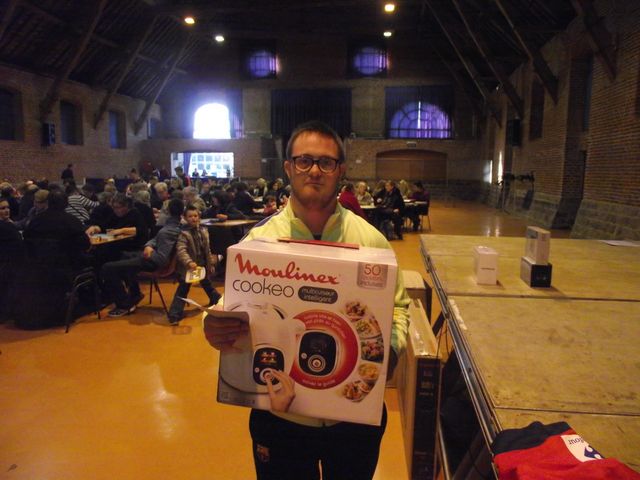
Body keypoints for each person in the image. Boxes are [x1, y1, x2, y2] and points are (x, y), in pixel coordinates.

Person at [203, 120, 410, 480]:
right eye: (304, 161)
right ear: (288, 168)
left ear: (340, 171)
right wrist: (216, 326)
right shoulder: (258, 243)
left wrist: (387, 351)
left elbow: (399, 308)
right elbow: (236, 306)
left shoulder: (371, 241)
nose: (314, 171)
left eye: (326, 162)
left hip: (354, 417)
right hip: (280, 418)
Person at [100, 198, 184, 317]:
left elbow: (161, 259)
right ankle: (135, 294)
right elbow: (155, 239)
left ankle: (124, 305)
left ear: (167, 212)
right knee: (124, 256)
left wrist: (148, 253)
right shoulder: (174, 227)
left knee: (107, 267)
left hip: (153, 262)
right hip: (152, 257)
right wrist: (149, 246)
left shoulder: (168, 231)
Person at [167, 205, 221, 325]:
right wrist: (189, 262)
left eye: (195, 216)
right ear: (185, 218)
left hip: (202, 265)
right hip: (189, 268)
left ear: (199, 217)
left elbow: (207, 249)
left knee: (207, 284)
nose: (193, 218)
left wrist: (210, 263)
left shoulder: (204, 231)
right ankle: (174, 314)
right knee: (183, 289)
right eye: (190, 216)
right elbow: (181, 250)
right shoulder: (183, 233)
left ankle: (217, 300)